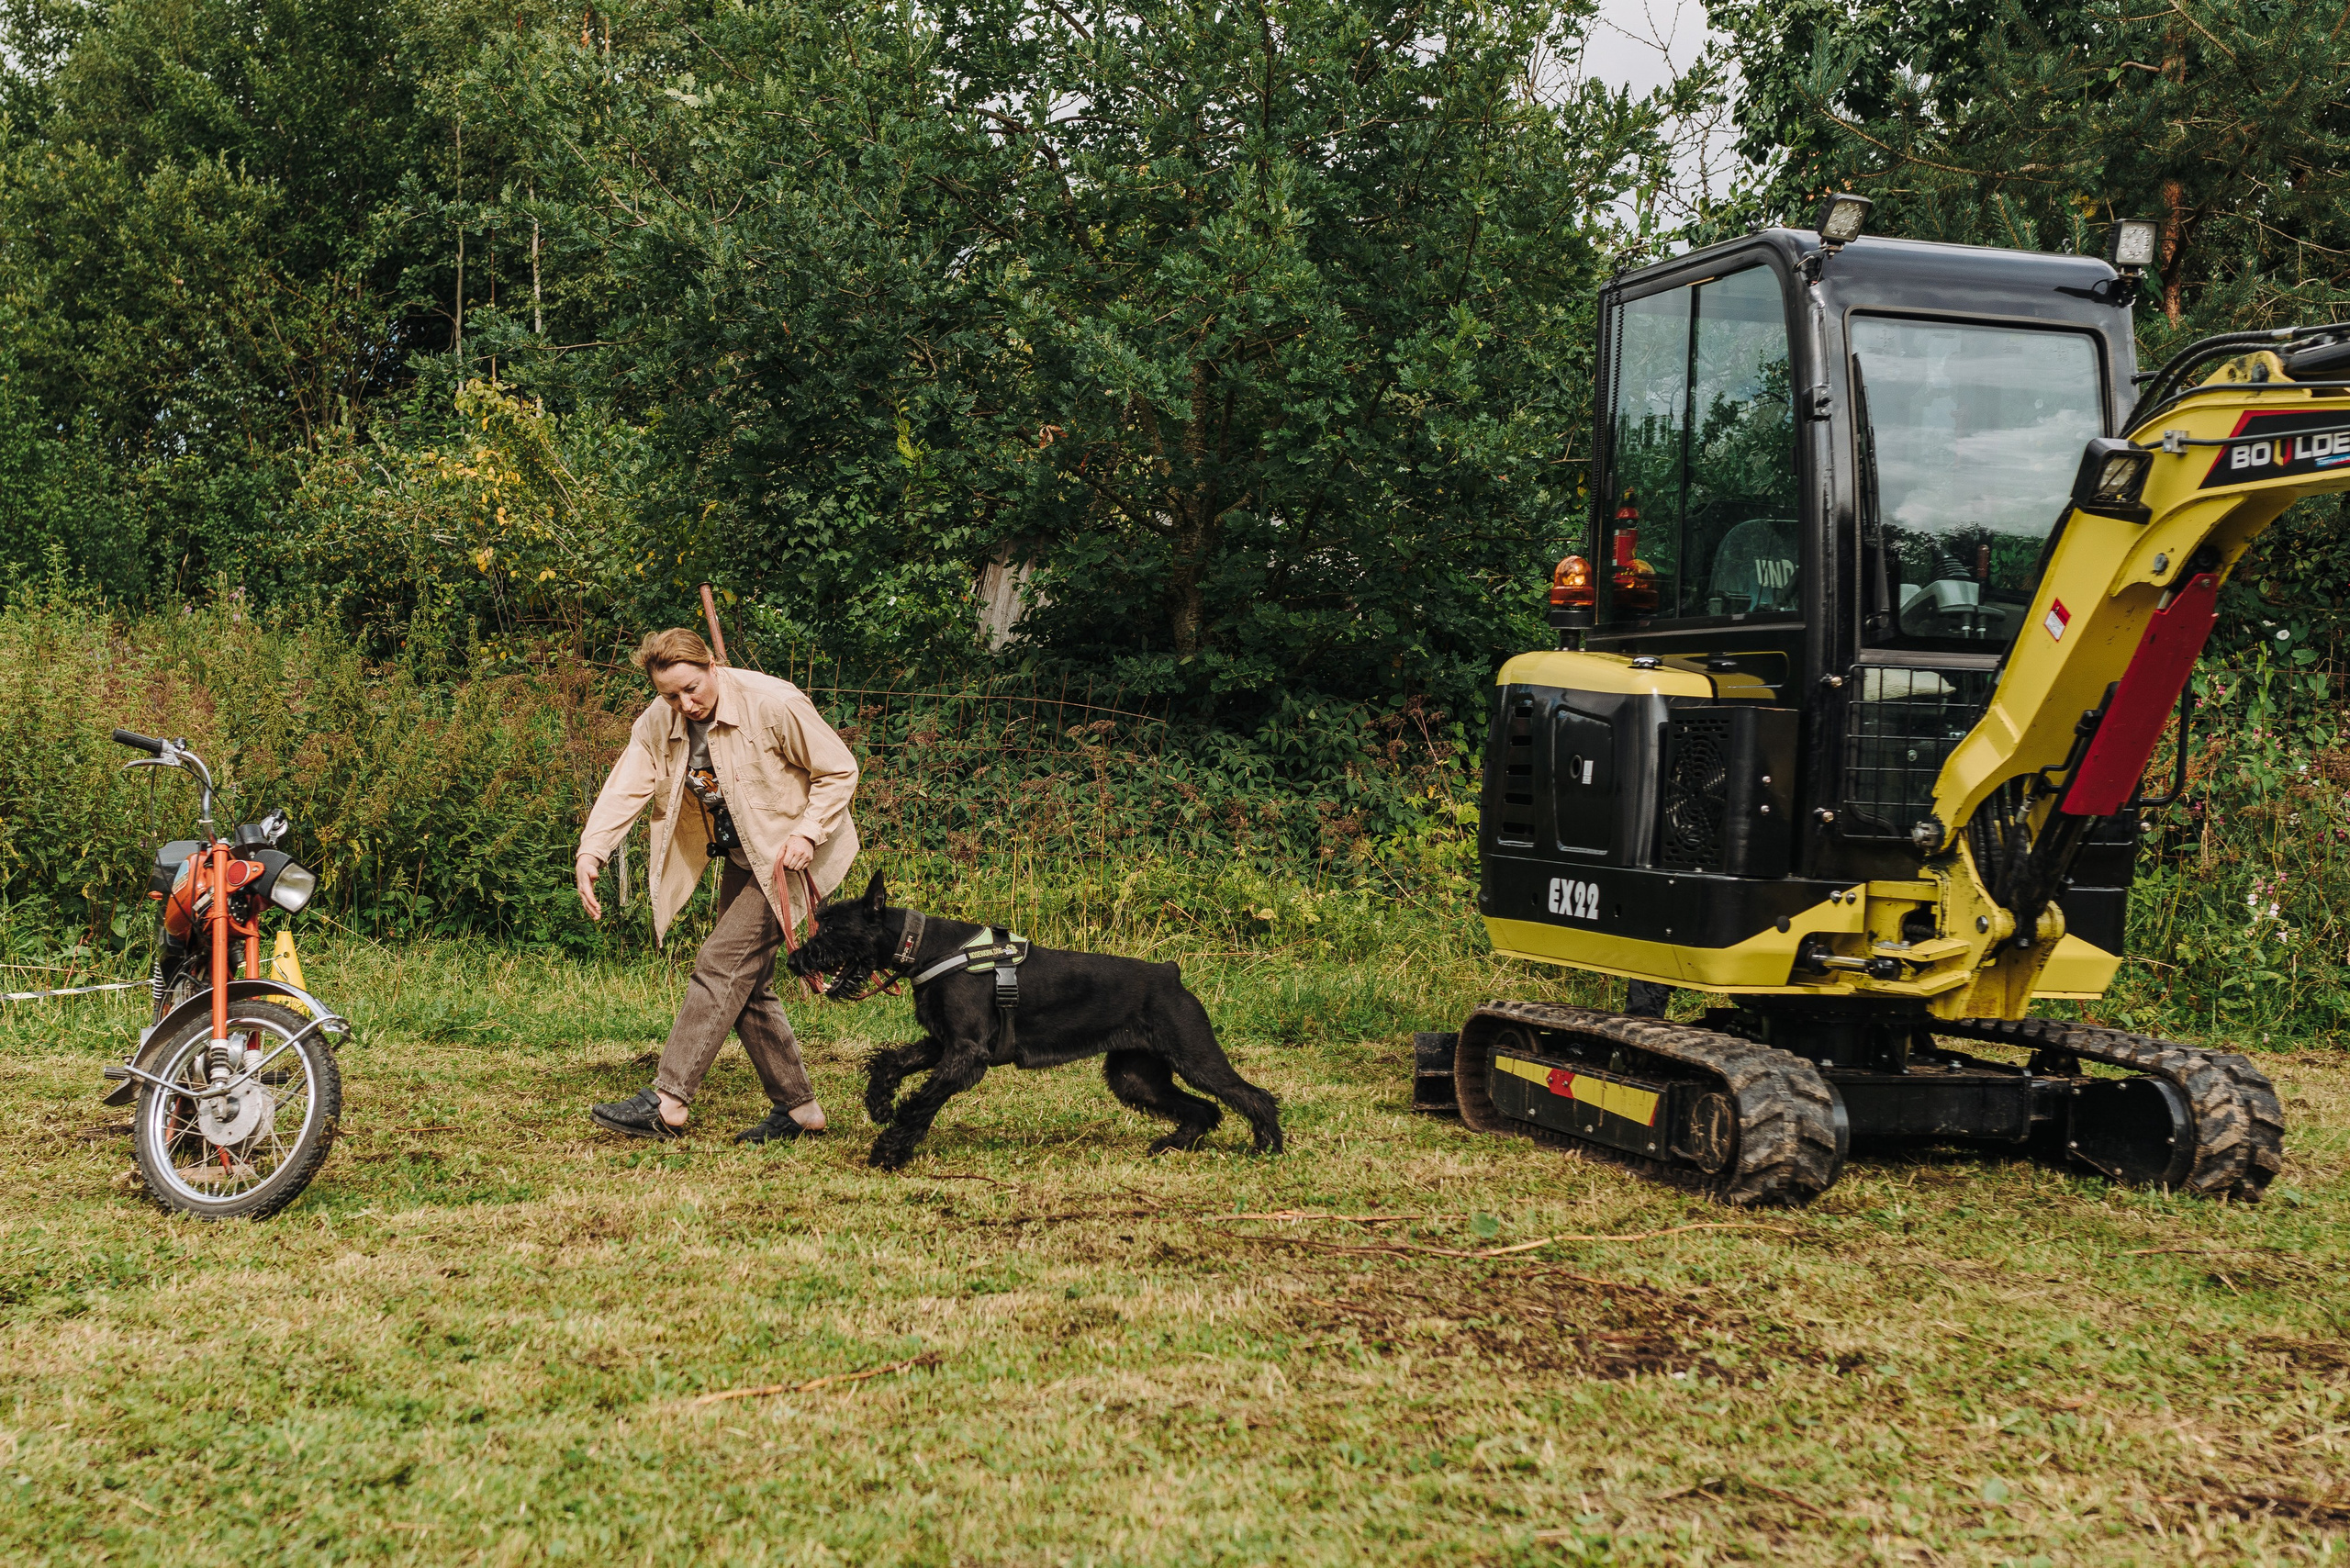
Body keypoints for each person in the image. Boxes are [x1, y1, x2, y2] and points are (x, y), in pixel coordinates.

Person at [574, 628, 860, 1143]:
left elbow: (839, 770)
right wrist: (592, 850)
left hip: (792, 858)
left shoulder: (772, 703)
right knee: (746, 983)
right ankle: (801, 1111)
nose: (686, 704)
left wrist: (807, 832)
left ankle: (668, 1102)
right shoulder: (661, 720)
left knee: (720, 964)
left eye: (692, 689)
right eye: (670, 695)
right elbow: (627, 784)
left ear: (711, 665)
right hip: (742, 856)